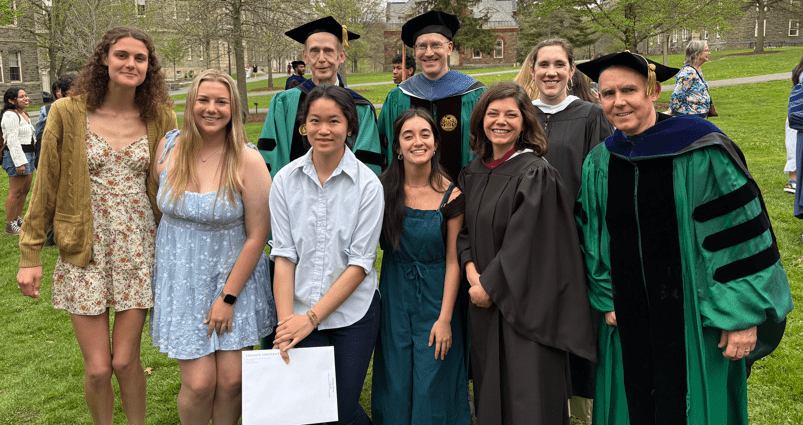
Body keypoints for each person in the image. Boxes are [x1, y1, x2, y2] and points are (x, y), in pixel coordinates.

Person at [575, 52, 793, 425]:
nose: (618, 101)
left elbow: (740, 237)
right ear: (598, 98)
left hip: (696, 317)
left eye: (629, 90)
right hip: (626, 318)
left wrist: (741, 315)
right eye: (608, 93)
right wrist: (607, 295)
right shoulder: (601, 161)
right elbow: (593, 236)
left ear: (653, 90)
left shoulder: (702, 150)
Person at [16, 27, 176, 425]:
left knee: (125, 361)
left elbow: (178, 179)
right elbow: (45, 186)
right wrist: (29, 254)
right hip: (83, 249)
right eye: (122, 55)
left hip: (139, 249)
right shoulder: (67, 113)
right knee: (98, 368)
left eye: (140, 59)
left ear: (148, 68)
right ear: (104, 58)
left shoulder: (160, 117)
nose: (130, 64)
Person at [456, 81, 597, 424]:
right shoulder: (471, 173)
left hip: (527, 306)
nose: (500, 121)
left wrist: (488, 286)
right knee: (490, 391)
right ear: (480, 120)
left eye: (511, 114)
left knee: (528, 396)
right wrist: (475, 279)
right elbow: (464, 235)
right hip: (483, 303)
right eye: (492, 113)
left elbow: (528, 244)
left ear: (524, 122)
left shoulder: (536, 172)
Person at [150, 69, 276, 425]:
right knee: (200, 383)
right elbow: (160, 209)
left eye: (221, 101)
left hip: (233, 279)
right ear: (191, 104)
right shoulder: (168, 148)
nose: (211, 108)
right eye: (203, 100)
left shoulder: (246, 159)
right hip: (182, 283)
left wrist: (228, 298)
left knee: (233, 380)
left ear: (233, 108)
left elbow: (257, 235)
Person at [270, 84, 383, 425]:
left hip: (353, 314)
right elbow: (284, 256)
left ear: (350, 126)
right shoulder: (285, 181)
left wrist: (311, 320)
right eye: (314, 120)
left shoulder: (367, 185)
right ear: (303, 125)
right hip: (299, 308)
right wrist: (287, 323)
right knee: (307, 410)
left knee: (341, 411)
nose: (323, 130)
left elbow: (360, 264)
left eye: (334, 121)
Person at [527, 38, 613, 423]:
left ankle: (580, 407)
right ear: (532, 71)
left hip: (577, 241)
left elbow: (602, 182)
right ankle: (540, 399)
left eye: (559, 65)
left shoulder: (591, 116)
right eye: (543, 64)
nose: (551, 72)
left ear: (571, 71)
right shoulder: (519, 115)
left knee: (578, 324)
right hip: (528, 242)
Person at [371, 108, 471, 425]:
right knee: (396, 379)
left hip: (437, 295)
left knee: (433, 379)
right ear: (397, 147)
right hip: (395, 294)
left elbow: (454, 259)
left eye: (425, 134)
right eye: (408, 136)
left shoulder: (451, 194)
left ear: (436, 142)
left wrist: (444, 318)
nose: (418, 142)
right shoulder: (381, 191)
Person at [258, 16, 384, 177]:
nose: (322, 58)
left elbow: (367, 166)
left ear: (341, 56)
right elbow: (272, 158)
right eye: (315, 51)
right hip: (293, 197)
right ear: (306, 57)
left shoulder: (360, 108)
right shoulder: (284, 103)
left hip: (345, 198)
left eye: (329, 51)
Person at [378, 10, 486, 181]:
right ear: (415, 50)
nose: (428, 53)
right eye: (422, 46)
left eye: (436, 45)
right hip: (406, 197)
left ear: (449, 48)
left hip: (465, 198)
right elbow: (383, 144)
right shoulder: (398, 97)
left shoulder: (475, 94)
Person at [2, 87, 34, 235]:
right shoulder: (10, 115)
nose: (26, 98)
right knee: (15, 191)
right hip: (17, 156)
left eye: (26, 96)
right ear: (11, 100)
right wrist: (19, 162)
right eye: (22, 97)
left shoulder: (23, 113)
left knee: (25, 190)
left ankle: (17, 218)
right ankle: (10, 224)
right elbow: (12, 140)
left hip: (29, 154)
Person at [36, 74, 75, 167]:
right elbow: (40, 134)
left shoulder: (82, 107)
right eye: (56, 90)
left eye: (61, 90)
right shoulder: (47, 109)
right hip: (55, 151)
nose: (59, 93)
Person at [670, 40, 712, 117]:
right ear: (697, 54)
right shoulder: (688, 72)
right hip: (688, 116)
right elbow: (678, 94)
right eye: (706, 51)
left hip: (697, 115)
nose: (709, 53)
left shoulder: (697, 69)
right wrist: (671, 111)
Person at [785, 55, 803, 194]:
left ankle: (794, 180)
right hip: (798, 115)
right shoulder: (799, 71)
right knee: (794, 143)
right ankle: (794, 180)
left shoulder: (798, 70)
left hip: (795, 114)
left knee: (793, 143)